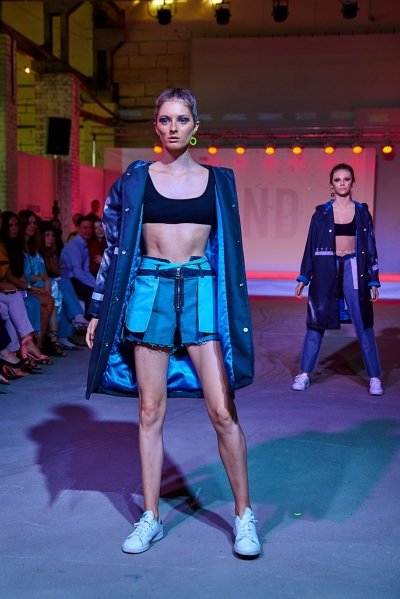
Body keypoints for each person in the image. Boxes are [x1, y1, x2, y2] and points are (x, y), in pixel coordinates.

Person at [86, 88, 260, 558]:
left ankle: (244, 515)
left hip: (201, 293)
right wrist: (98, 308)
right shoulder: (135, 180)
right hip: (151, 293)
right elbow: (114, 248)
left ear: (195, 126)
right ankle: (151, 517)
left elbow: (230, 252)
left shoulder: (218, 180)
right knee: (149, 411)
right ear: (156, 126)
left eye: (182, 119)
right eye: (165, 119)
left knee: (222, 410)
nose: (173, 127)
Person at [293, 163, 383, 396]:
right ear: (331, 184)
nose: (342, 183)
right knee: (316, 322)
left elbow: (370, 247)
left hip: (354, 268)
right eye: (337, 179)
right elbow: (311, 245)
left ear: (353, 183)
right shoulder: (321, 213)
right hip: (326, 269)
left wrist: (373, 279)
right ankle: (304, 373)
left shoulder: (362, 212)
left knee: (363, 323)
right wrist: (304, 276)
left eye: (346, 179)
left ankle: (374, 377)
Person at [60, 216, 95, 317]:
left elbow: (86, 270)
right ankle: (87, 319)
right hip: (69, 279)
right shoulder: (74, 245)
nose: (88, 230)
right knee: (91, 292)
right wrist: (93, 287)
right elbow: (78, 272)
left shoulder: (84, 245)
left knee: (95, 290)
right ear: (77, 228)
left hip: (76, 278)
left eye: (90, 228)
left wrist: (96, 285)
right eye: (85, 228)